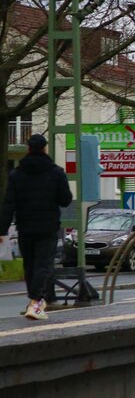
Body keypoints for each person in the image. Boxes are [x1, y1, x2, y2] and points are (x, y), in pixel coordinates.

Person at [0, 134, 73, 320]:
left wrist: (2, 229)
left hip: (25, 226)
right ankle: (36, 301)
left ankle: (34, 301)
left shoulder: (16, 174)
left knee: (30, 265)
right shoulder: (56, 172)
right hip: (48, 226)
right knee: (44, 264)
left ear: (28, 148)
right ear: (45, 148)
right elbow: (66, 200)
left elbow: (9, 204)